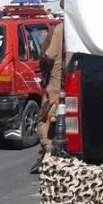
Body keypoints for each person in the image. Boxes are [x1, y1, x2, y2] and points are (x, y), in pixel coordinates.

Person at [35, 19, 65, 155]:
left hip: (57, 79)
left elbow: (50, 54)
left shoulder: (59, 29)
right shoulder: (75, 28)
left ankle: (47, 142)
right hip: (65, 78)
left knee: (49, 111)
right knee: (54, 109)